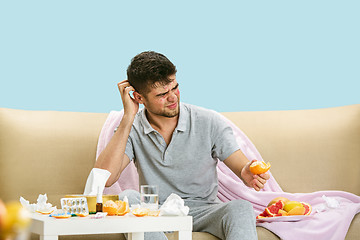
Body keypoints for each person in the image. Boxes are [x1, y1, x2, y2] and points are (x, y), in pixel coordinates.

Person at [95, 51, 270, 240]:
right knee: (127, 197)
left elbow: (242, 166)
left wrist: (247, 173)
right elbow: (105, 178)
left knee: (240, 208)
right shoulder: (132, 127)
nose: (172, 98)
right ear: (139, 98)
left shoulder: (209, 121)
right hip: (155, 212)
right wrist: (128, 117)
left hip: (204, 210)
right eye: (162, 94)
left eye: (174, 88)